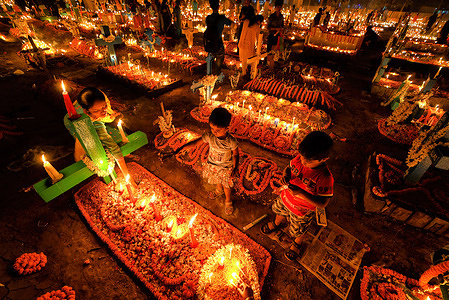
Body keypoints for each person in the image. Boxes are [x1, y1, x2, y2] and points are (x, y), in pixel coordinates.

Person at [261, 131, 334, 261]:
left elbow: (322, 203)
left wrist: (301, 193)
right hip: (285, 198)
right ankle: (276, 223)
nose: (303, 162)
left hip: (302, 210)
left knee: (298, 229)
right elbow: (288, 169)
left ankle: (297, 242)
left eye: (309, 161)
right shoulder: (299, 159)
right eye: (301, 157)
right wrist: (286, 176)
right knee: (279, 211)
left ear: (323, 159)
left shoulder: (324, 178)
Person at [65, 87, 136, 187]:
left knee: (117, 136)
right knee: (93, 149)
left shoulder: (100, 97)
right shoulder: (85, 122)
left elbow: (105, 116)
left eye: (104, 106)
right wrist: (127, 176)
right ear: (87, 112)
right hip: (71, 122)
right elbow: (113, 148)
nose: (103, 111)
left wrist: (110, 117)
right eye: (96, 110)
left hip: (88, 116)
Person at [179, 107, 239, 215]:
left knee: (226, 185)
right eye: (212, 128)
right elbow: (196, 143)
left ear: (227, 128)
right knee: (216, 179)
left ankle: (228, 200)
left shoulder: (231, 141)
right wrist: (184, 147)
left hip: (225, 167)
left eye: (218, 130)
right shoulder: (209, 136)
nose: (214, 132)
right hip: (213, 164)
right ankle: (218, 190)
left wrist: (235, 167)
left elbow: (235, 154)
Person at [204, 0, 232, 75]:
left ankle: (209, 77)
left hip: (210, 43)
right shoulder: (222, 18)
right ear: (219, 7)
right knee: (219, 62)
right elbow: (231, 24)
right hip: (218, 43)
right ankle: (217, 76)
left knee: (210, 61)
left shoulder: (208, 18)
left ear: (211, 7)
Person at [267, 0, 284, 69]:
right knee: (269, 50)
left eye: (280, 7)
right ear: (275, 7)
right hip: (271, 35)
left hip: (278, 36)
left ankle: (272, 64)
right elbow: (268, 27)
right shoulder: (272, 16)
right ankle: (268, 64)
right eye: (277, 7)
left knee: (275, 50)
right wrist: (276, 29)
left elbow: (282, 25)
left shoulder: (281, 16)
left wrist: (281, 29)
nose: (279, 8)